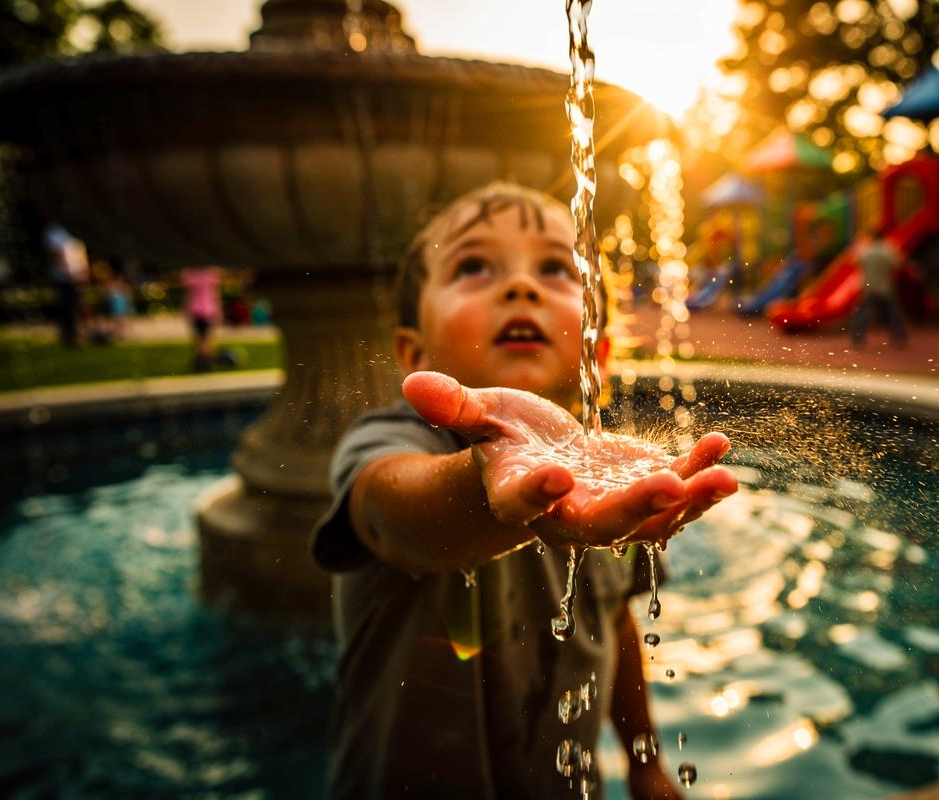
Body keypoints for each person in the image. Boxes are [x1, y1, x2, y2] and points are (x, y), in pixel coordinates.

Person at [309, 182, 738, 799]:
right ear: (414, 352)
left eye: (557, 269)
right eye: (473, 267)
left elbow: (615, 620)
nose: (521, 286)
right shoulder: (391, 441)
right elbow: (391, 516)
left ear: (598, 355)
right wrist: (484, 486)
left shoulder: (614, 480)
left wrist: (643, 761)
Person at [850, 232, 907, 348]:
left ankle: (857, 338)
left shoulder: (867, 251)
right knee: (892, 313)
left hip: (870, 287)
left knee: (863, 314)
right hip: (884, 287)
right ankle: (899, 337)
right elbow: (898, 264)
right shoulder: (887, 251)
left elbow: (856, 261)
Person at [44, 224, 89, 347]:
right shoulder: (54, 232)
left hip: (75, 276)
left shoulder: (72, 231)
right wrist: (68, 272)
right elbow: (55, 255)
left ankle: (76, 335)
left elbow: (79, 251)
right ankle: (69, 336)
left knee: (76, 306)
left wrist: (83, 271)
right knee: (68, 308)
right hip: (64, 278)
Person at [180, 266, 223, 371]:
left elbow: (187, 296)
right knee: (206, 339)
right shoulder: (212, 275)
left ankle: (200, 362)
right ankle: (206, 362)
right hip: (208, 310)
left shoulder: (191, 276)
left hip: (196, 310)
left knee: (199, 339)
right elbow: (216, 295)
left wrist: (185, 311)